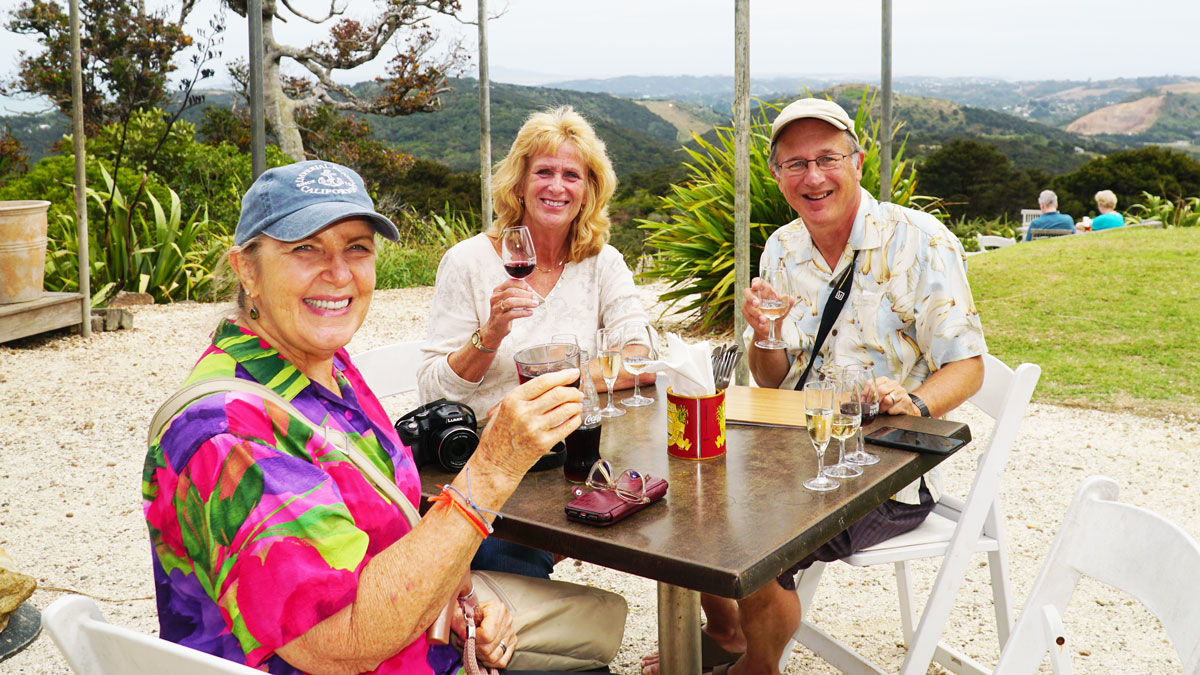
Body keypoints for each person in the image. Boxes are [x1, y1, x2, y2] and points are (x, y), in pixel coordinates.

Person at [144, 160, 625, 674]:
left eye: (357, 247)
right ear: (247, 270)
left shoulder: (326, 370)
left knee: (605, 618)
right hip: (376, 654)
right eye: (305, 248)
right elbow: (341, 643)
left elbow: (390, 523)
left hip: (421, 624)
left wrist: (454, 596)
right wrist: (493, 468)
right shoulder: (229, 434)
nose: (338, 272)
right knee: (593, 644)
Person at [644, 98, 986, 675]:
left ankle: (759, 666)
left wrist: (916, 402)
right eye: (795, 164)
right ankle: (726, 633)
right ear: (777, 176)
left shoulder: (920, 241)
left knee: (752, 540)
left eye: (827, 158)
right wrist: (767, 333)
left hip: (877, 465)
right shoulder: (783, 247)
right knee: (687, 493)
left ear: (857, 161)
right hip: (791, 443)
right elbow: (771, 379)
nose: (814, 176)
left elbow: (969, 367)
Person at [418, 107, 653, 578]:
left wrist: (551, 390)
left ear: (588, 189)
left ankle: (715, 636)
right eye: (543, 172)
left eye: (572, 175)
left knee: (671, 511)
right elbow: (433, 390)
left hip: (574, 460)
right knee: (509, 558)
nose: (556, 186)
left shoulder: (601, 262)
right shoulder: (467, 262)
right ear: (520, 182)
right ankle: (543, 645)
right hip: (492, 465)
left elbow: (643, 359)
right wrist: (491, 334)